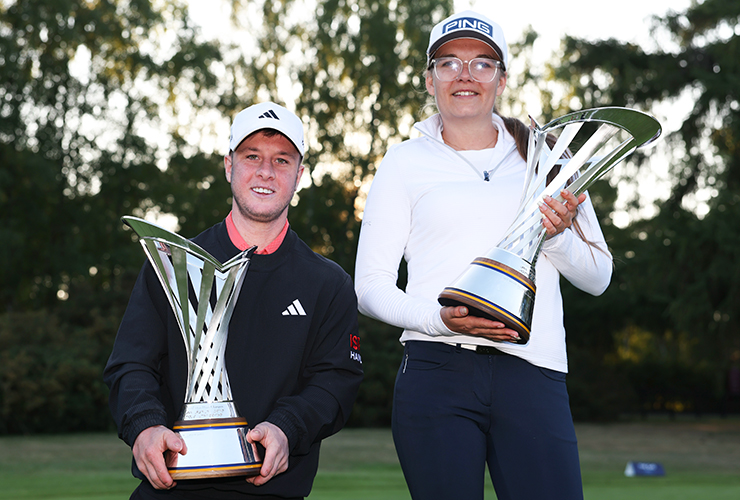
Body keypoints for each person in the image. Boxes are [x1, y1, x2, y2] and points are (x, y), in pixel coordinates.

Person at [354, 10, 612, 500]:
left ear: (502, 80)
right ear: (429, 80)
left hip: (533, 370)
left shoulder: (548, 157)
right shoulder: (403, 162)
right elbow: (369, 287)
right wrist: (439, 320)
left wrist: (555, 235)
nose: (465, 75)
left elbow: (598, 276)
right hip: (436, 370)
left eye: (482, 63)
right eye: (449, 63)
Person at [105, 101, 363, 500]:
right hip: (169, 489)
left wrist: (286, 427)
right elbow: (131, 364)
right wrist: (145, 425)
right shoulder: (171, 263)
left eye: (282, 160)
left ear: (299, 175)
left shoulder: (328, 283)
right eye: (251, 156)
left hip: (271, 490)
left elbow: (335, 382)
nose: (265, 171)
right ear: (229, 166)